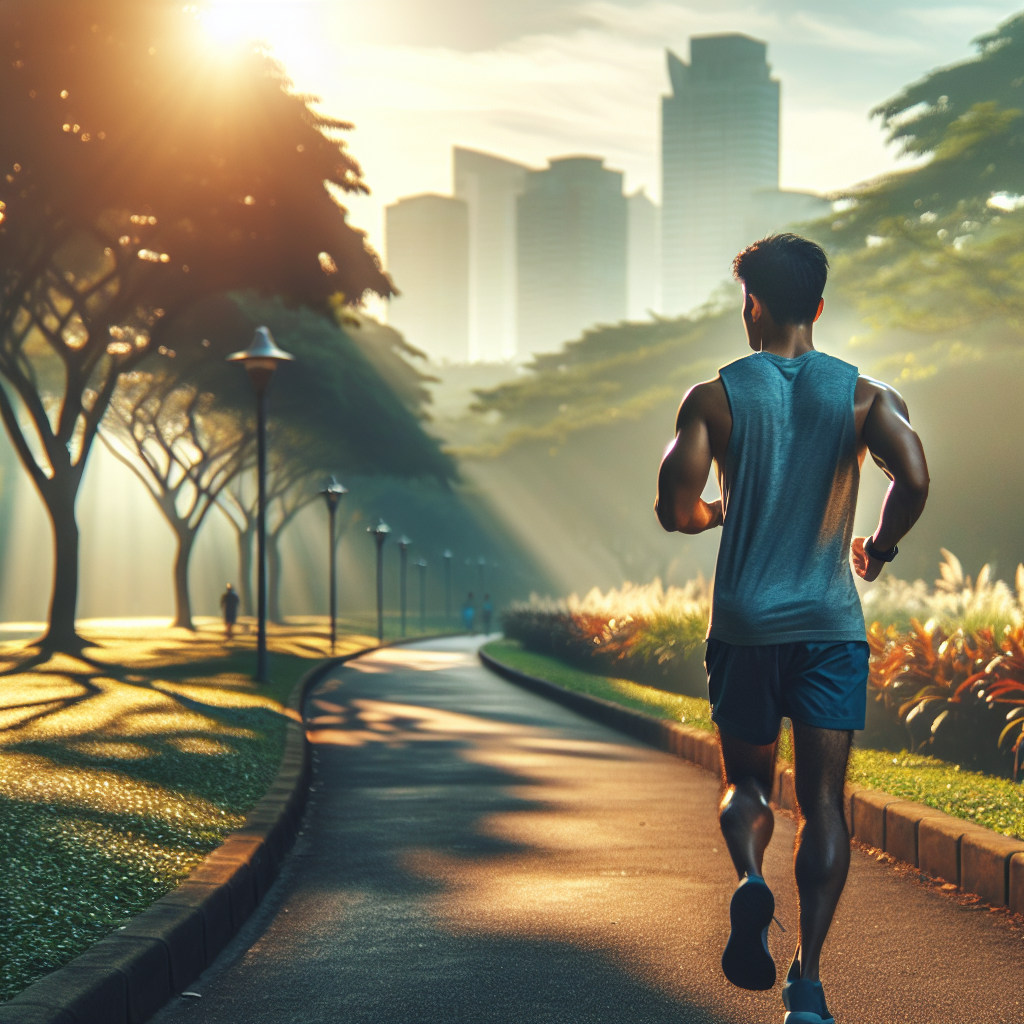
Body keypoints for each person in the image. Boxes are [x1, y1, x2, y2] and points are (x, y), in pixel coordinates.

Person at [654, 234, 929, 1024]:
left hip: (744, 627)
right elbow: (913, 476)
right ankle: (807, 985)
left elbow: (677, 507)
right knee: (825, 805)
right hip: (829, 629)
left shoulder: (713, 398)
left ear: (754, 305)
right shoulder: (866, 397)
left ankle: (749, 879)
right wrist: (877, 548)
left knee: (745, 784)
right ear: (816, 306)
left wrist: (717, 512)